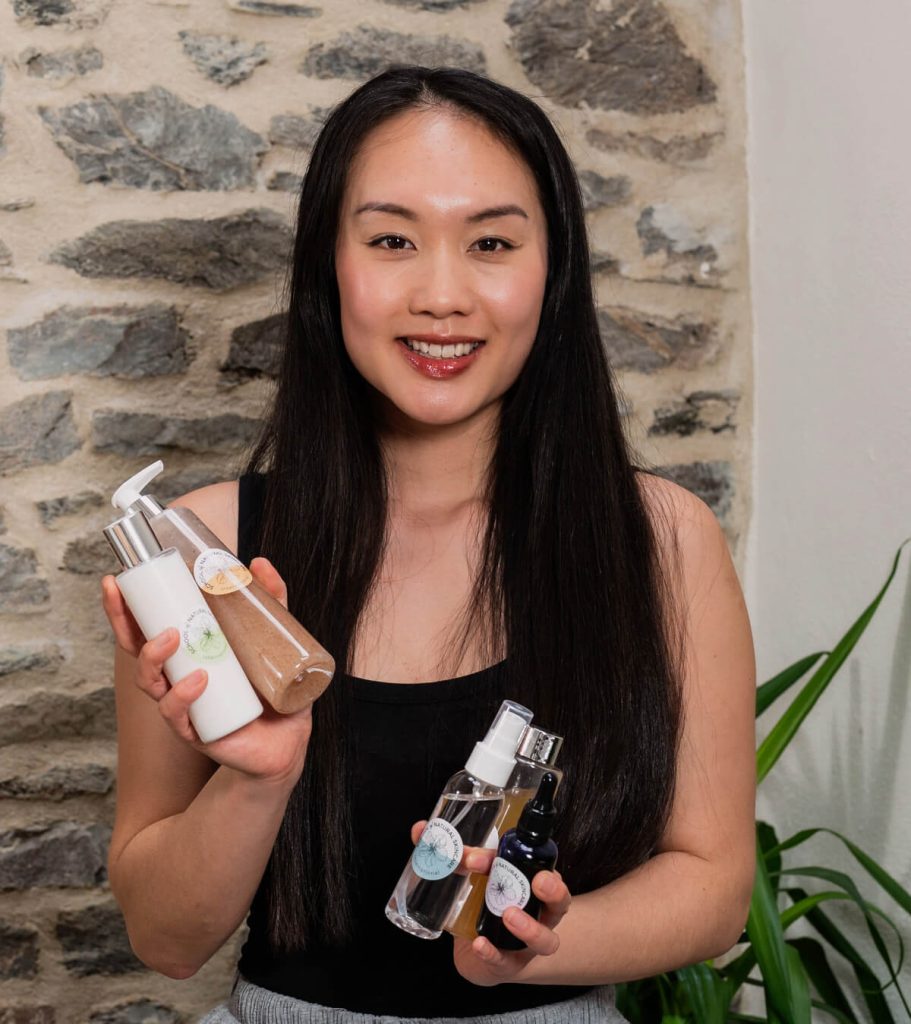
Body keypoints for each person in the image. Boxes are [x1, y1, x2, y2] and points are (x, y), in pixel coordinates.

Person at [100, 66, 756, 1023]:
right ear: (329, 264)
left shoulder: (659, 540)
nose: (442, 294)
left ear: (553, 270)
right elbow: (165, 940)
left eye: (490, 241)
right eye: (393, 240)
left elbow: (712, 886)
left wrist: (531, 948)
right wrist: (259, 777)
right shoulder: (203, 553)